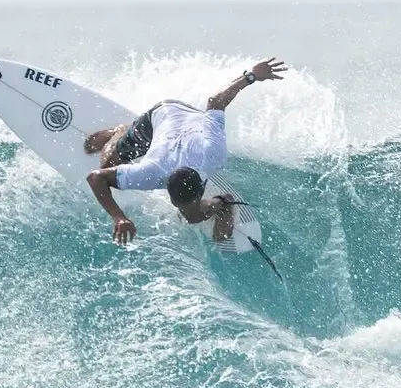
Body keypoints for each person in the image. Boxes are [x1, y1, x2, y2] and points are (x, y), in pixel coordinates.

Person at [84, 57, 287, 246]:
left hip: (193, 122)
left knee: (192, 216)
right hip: (163, 115)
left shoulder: (211, 154)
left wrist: (250, 76)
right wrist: (118, 216)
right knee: (107, 166)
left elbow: (215, 102)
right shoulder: (151, 172)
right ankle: (119, 132)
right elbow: (95, 177)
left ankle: (224, 202)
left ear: (201, 187)